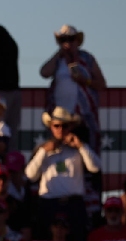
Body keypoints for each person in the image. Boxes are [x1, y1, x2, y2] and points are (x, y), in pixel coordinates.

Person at [25, 107, 102, 238]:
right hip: (48, 204)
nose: (60, 129)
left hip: (73, 205)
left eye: (64, 126)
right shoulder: (42, 149)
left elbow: (95, 167)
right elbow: (30, 175)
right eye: (56, 126)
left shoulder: (79, 148)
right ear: (51, 127)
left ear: (70, 126)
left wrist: (81, 146)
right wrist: (43, 152)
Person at [41, 25, 106, 153]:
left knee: (85, 149)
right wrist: (58, 53)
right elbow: (44, 72)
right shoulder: (58, 60)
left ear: (77, 41)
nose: (67, 43)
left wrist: (85, 81)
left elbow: (101, 83)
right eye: (63, 40)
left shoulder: (87, 58)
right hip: (60, 116)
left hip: (82, 116)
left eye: (71, 39)